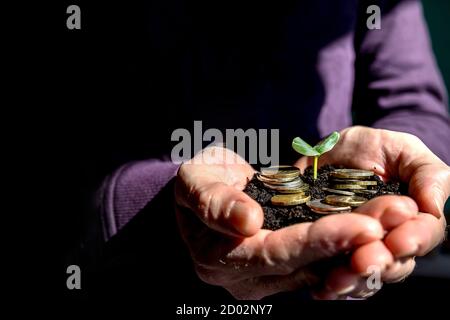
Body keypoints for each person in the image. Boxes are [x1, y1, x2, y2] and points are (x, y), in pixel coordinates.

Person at [83, 0, 450, 300]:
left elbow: (412, 103)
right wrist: (164, 201)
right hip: (128, 273)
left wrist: (406, 170)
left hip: (329, 284)